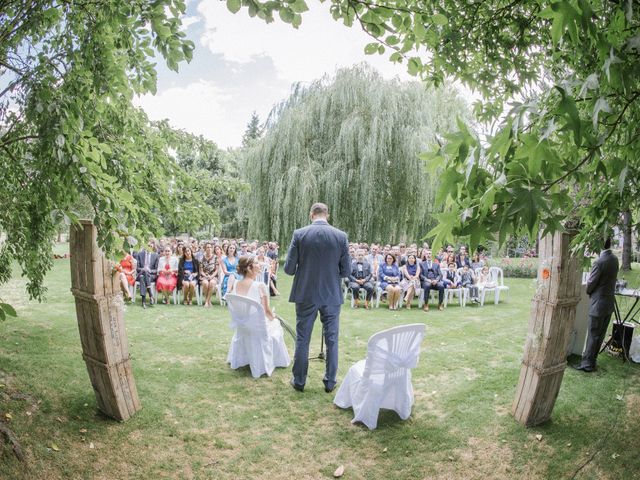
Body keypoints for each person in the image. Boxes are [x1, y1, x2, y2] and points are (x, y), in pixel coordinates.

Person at [284, 202, 350, 393]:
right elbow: (346, 270)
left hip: (306, 293)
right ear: (327, 215)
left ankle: (299, 381)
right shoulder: (341, 236)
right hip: (331, 294)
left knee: (303, 338)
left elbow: (288, 269)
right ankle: (330, 382)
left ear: (311, 214)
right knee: (332, 339)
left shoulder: (300, 234)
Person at [575, 238, 619, 372]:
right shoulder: (614, 259)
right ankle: (592, 361)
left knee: (593, 334)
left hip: (598, 304)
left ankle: (587, 364)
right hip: (608, 303)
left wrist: (588, 290)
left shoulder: (599, 262)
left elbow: (591, 284)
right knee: (600, 334)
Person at [135, 241, 159, 308]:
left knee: (143, 277)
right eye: (148, 246)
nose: (149, 247)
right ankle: (151, 295)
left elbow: (156, 269)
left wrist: (149, 270)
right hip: (141, 273)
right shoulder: (140, 254)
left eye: (151, 246)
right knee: (143, 274)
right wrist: (143, 269)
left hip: (151, 275)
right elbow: (137, 268)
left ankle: (144, 301)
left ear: (153, 247)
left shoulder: (155, 255)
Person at [199, 242, 219, 308]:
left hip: (213, 275)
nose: (209, 248)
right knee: (205, 283)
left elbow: (216, 270)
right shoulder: (201, 258)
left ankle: (207, 302)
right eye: (207, 247)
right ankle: (208, 301)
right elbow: (201, 271)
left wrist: (211, 276)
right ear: (205, 248)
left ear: (212, 248)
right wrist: (206, 276)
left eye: (210, 247)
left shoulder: (216, 257)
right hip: (204, 275)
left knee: (212, 283)